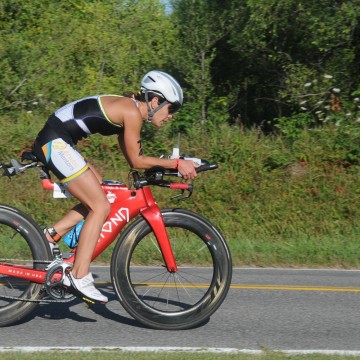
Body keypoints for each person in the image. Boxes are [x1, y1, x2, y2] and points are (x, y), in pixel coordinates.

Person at [32, 70, 198, 304]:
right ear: (154, 101)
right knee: (100, 206)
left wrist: (169, 165)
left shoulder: (129, 111)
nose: (171, 116)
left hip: (59, 140)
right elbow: (138, 161)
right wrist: (177, 163)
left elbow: (134, 159)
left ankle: (50, 236)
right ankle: (79, 275)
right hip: (54, 142)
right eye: (170, 109)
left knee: (103, 191)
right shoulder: (131, 112)